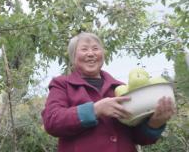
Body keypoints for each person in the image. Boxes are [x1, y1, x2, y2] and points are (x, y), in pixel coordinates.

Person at [42, 32, 175, 151]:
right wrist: (95, 110)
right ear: (73, 57)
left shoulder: (120, 88)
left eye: (95, 49)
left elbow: (138, 138)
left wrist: (154, 124)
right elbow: (52, 121)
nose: (91, 53)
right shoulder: (62, 85)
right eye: (84, 49)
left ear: (102, 55)